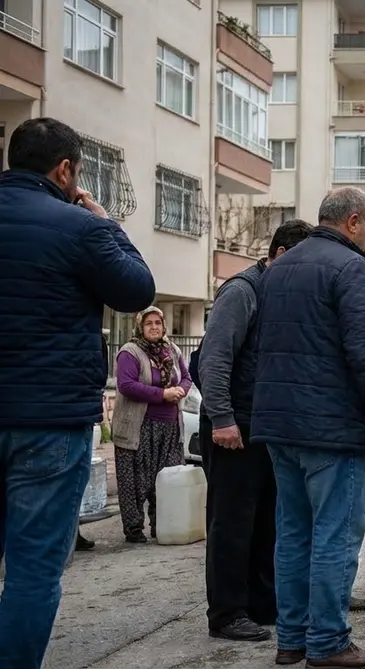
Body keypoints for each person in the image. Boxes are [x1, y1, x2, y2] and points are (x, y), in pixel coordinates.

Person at [0, 117, 155, 669]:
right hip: (47, 421)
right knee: (33, 569)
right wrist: (106, 224)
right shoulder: (78, 228)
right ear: (65, 170)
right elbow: (137, 289)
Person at [251, 187, 365, 669]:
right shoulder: (351, 268)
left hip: (280, 423)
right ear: (353, 222)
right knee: (336, 535)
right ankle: (329, 642)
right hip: (331, 427)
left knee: (294, 533)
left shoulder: (278, 268)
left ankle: (292, 639)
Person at [199, 219, 313, 643]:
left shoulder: (278, 293)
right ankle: (227, 613)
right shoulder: (242, 291)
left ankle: (263, 603)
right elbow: (214, 359)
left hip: (265, 425)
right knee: (231, 523)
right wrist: (222, 418)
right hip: (235, 425)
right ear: (280, 255)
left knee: (267, 521)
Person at [111, 307, 192, 544]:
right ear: (140, 327)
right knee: (136, 481)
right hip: (138, 427)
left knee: (168, 479)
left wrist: (180, 390)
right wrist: (162, 394)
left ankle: (164, 525)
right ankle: (134, 529)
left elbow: (186, 377)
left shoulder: (172, 349)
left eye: (158, 322)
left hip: (170, 427)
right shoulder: (130, 352)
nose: (154, 327)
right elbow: (126, 385)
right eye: (149, 323)